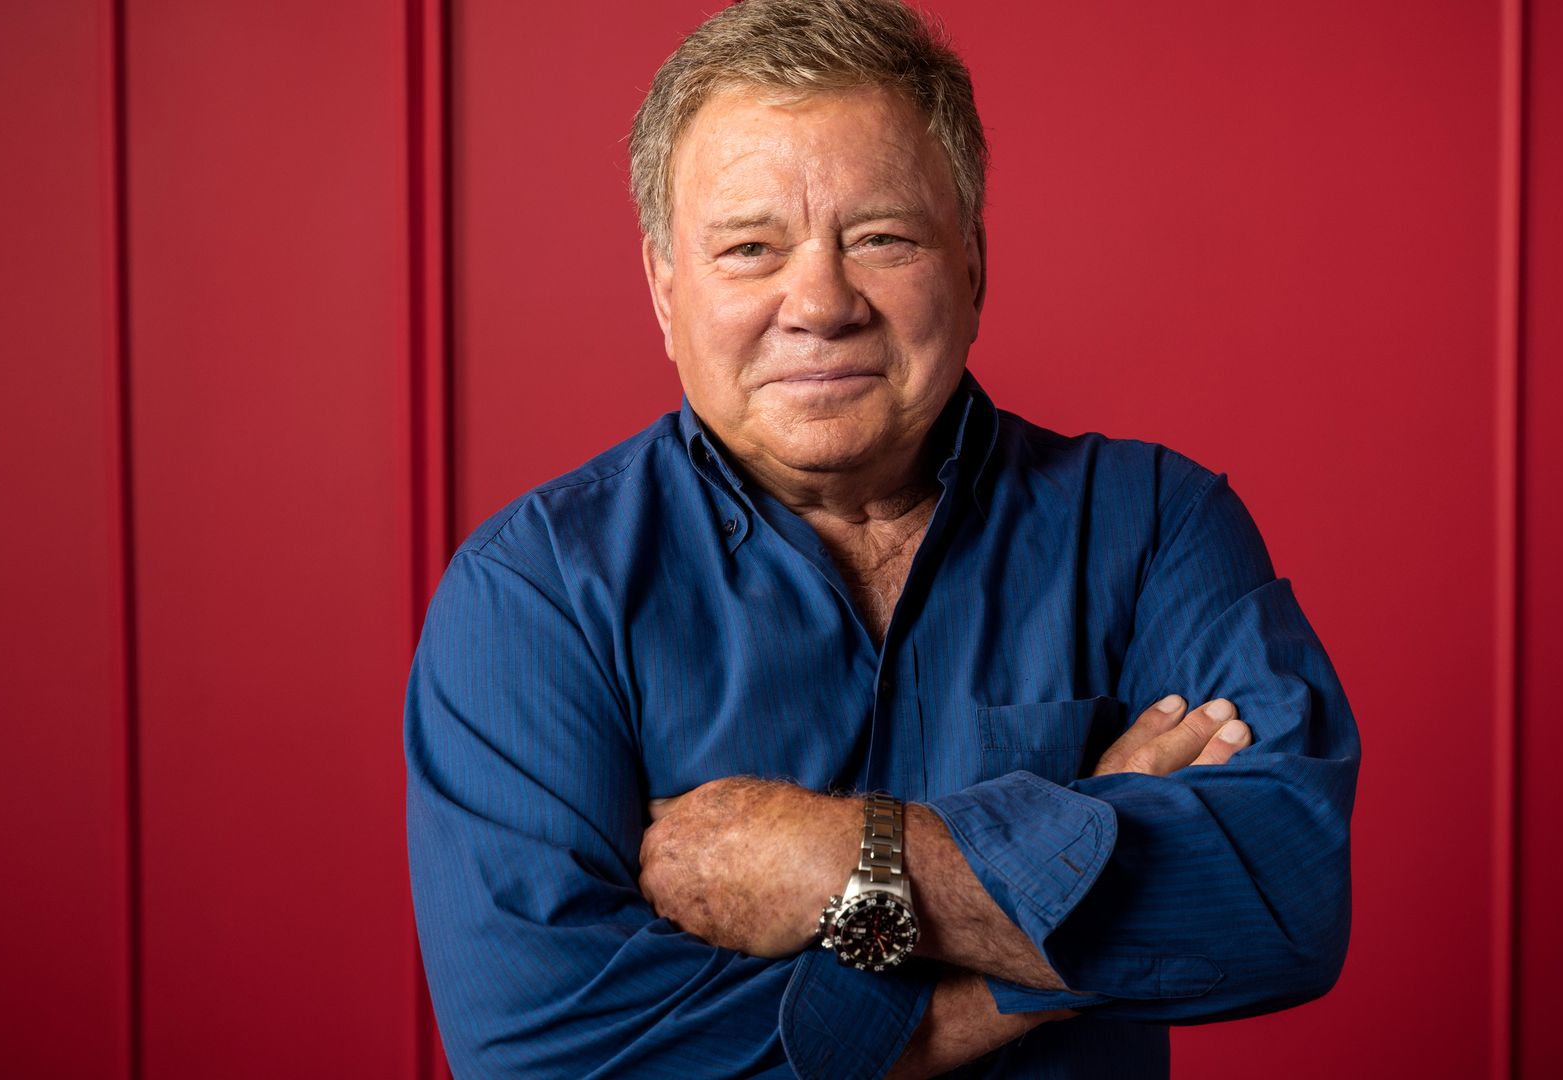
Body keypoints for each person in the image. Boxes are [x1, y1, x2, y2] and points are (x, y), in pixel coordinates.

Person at [404, 0, 1360, 1075]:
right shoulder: (533, 596)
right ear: (666, 293)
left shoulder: (1153, 529)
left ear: (973, 266)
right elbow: (554, 1054)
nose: (818, 302)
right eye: (749, 248)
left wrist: (832, 859)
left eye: (881, 238)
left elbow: (1284, 900)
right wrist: (1039, 915)